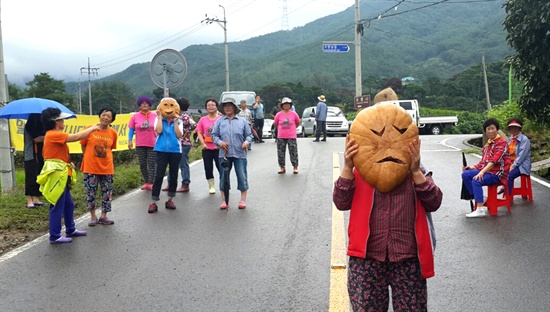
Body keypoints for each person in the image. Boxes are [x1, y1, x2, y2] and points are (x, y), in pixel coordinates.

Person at [333, 137, 442, 311]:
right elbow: (341, 202)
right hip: (367, 259)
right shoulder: (360, 171)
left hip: (407, 258)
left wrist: (415, 171)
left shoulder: (416, 169)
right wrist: (347, 166)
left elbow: (434, 202)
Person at [37, 107, 100, 244]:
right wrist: (93, 128)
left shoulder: (53, 134)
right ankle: (55, 235)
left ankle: (70, 229)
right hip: (56, 174)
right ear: (55, 121)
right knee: (57, 204)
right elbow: (77, 137)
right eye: (61, 119)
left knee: (68, 204)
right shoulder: (54, 134)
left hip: (61, 171)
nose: (63, 121)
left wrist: (67, 162)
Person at [461, 118, 511, 218]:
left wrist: (482, 172)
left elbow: (493, 162)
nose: (490, 131)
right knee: (465, 174)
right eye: (488, 129)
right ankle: (479, 198)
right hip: (488, 172)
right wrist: (472, 167)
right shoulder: (487, 145)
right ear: (485, 131)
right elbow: (483, 162)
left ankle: (480, 210)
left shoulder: (501, 143)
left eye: (493, 128)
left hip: (497, 174)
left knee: (476, 179)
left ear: (497, 129)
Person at [212, 97, 253, 209]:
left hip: (240, 154)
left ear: (234, 108)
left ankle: (243, 200)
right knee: (223, 178)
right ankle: (225, 201)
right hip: (224, 155)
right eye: (225, 106)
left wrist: (246, 142)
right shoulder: (219, 121)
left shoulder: (242, 121)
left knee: (242, 175)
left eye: (230, 105)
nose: (228, 108)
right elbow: (214, 135)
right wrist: (220, 143)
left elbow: (249, 135)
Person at [80, 108, 118, 226]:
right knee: (90, 193)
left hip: (107, 168)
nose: (105, 118)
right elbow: (83, 145)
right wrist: (88, 157)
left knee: (107, 192)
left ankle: (103, 216)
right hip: (90, 167)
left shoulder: (113, 133)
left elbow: (110, 149)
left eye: (108, 116)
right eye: (104, 115)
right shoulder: (89, 129)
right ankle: (93, 216)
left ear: (112, 120)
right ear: (99, 115)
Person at [148, 98, 183, 213]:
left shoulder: (179, 121)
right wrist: (159, 117)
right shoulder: (158, 120)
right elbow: (158, 131)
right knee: (159, 176)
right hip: (161, 150)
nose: (168, 109)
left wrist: (175, 122)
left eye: (171, 106)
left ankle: (170, 199)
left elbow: (179, 135)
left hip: (175, 151)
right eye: (165, 105)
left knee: (173, 176)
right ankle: (153, 202)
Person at [162, 98, 196, 192]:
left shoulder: (184, 116)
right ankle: (170, 183)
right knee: (172, 164)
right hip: (174, 143)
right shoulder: (172, 115)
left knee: (183, 164)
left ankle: (185, 183)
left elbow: (194, 125)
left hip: (183, 143)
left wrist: (187, 132)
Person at [128, 96, 157, 191]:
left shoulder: (155, 116)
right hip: (140, 144)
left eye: (146, 103)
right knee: (142, 163)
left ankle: (151, 182)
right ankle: (146, 182)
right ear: (139, 105)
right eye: (142, 103)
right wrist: (129, 140)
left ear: (149, 105)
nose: (144, 104)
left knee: (151, 163)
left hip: (153, 143)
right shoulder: (135, 117)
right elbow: (131, 129)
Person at [196, 98, 222, 195]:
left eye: (213, 105)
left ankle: (223, 184)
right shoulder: (203, 119)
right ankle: (211, 186)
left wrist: (220, 144)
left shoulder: (221, 119)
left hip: (218, 148)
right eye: (208, 105)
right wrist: (203, 144)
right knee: (208, 167)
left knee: (221, 167)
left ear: (216, 106)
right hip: (206, 148)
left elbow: (224, 132)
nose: (210, 107)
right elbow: (199, 132)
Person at [273, 97, 301, 174]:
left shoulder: (294, 114)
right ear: (282, 106)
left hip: (291, 136)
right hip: (281, 136)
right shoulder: (279, 114)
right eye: (285, 104)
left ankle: (295, 167)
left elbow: (298, 122)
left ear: (290, 105)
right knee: (281, 152)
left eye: (288, 104)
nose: (286, 106)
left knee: (293, 152)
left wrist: (292, 128)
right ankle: (282, 167)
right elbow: (275, 124)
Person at [24, 113, 45, 208]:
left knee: (40, 176)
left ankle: (37, 198)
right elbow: (37, 139)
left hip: (40, 154)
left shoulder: (40, 126)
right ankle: (29, 200)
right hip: (31, 155)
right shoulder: (29, 125)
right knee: (31, 177)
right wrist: (49, 136)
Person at [505, 118, 531, 194]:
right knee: (499, 173)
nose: (513, 129)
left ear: (519, 128)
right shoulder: (510, 139)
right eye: (511, 128)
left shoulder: (524, 139)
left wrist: (513, 166)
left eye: (515, 127)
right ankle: (505, 189)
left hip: (521, 165)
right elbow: (506, 153)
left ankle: (507, 196)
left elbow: (522, 156)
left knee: (509, 176)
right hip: (511, 164)